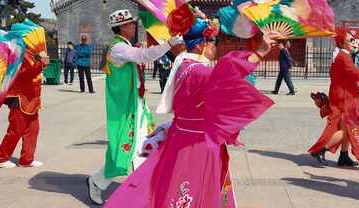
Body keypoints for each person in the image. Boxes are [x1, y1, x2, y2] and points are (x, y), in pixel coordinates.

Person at [105, 15, 276, 208]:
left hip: (181, 136)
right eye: (212, 41)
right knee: (194, 187)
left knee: (174, 185)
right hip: (197, 143)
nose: (215, 46)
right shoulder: (198, 72)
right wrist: (260, 52)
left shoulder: (184, 66)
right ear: (200, 45)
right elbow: (227, 73)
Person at [87, 9, 178, 205]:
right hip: (125, 108)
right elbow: (144, 55)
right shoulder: (118, 48)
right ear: (121, 27)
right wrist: (169, 44)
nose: (134, 27)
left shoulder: (124, 45)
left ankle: (138, 186)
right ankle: (100, 182)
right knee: (127, 148)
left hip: (135, 104)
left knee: (143, 145)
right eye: (130, 24)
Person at [309, 26, 359, 166]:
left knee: (345, 127)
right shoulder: (343, 57)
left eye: (354, 39)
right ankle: (322, 149)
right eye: (351, 40)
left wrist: (358, 88)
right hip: (344, 99)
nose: (354, 42)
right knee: (347, 128)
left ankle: (343, 155)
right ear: (342, 43)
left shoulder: (343, 56)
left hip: (343, 96)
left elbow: (346, 77)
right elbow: (356, 74)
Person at [0, 22, 50, 169]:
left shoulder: (34, 53)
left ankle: (27, 159)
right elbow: (23, 74)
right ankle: (0, 157)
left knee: (33, 129)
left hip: (33, 97)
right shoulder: (19, 53)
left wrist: (42, 62)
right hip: (19, 97)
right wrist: (41, 64)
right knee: (16, 129)